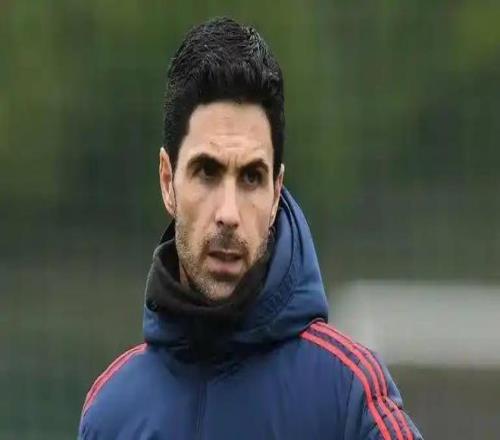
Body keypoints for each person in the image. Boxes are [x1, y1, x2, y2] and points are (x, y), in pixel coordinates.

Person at [78, 17, 423, 440]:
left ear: (276, 192)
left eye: (251, 178)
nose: (229, 213)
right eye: (207, 172)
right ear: (168, 181)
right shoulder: (112, 413)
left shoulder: (347, 396)